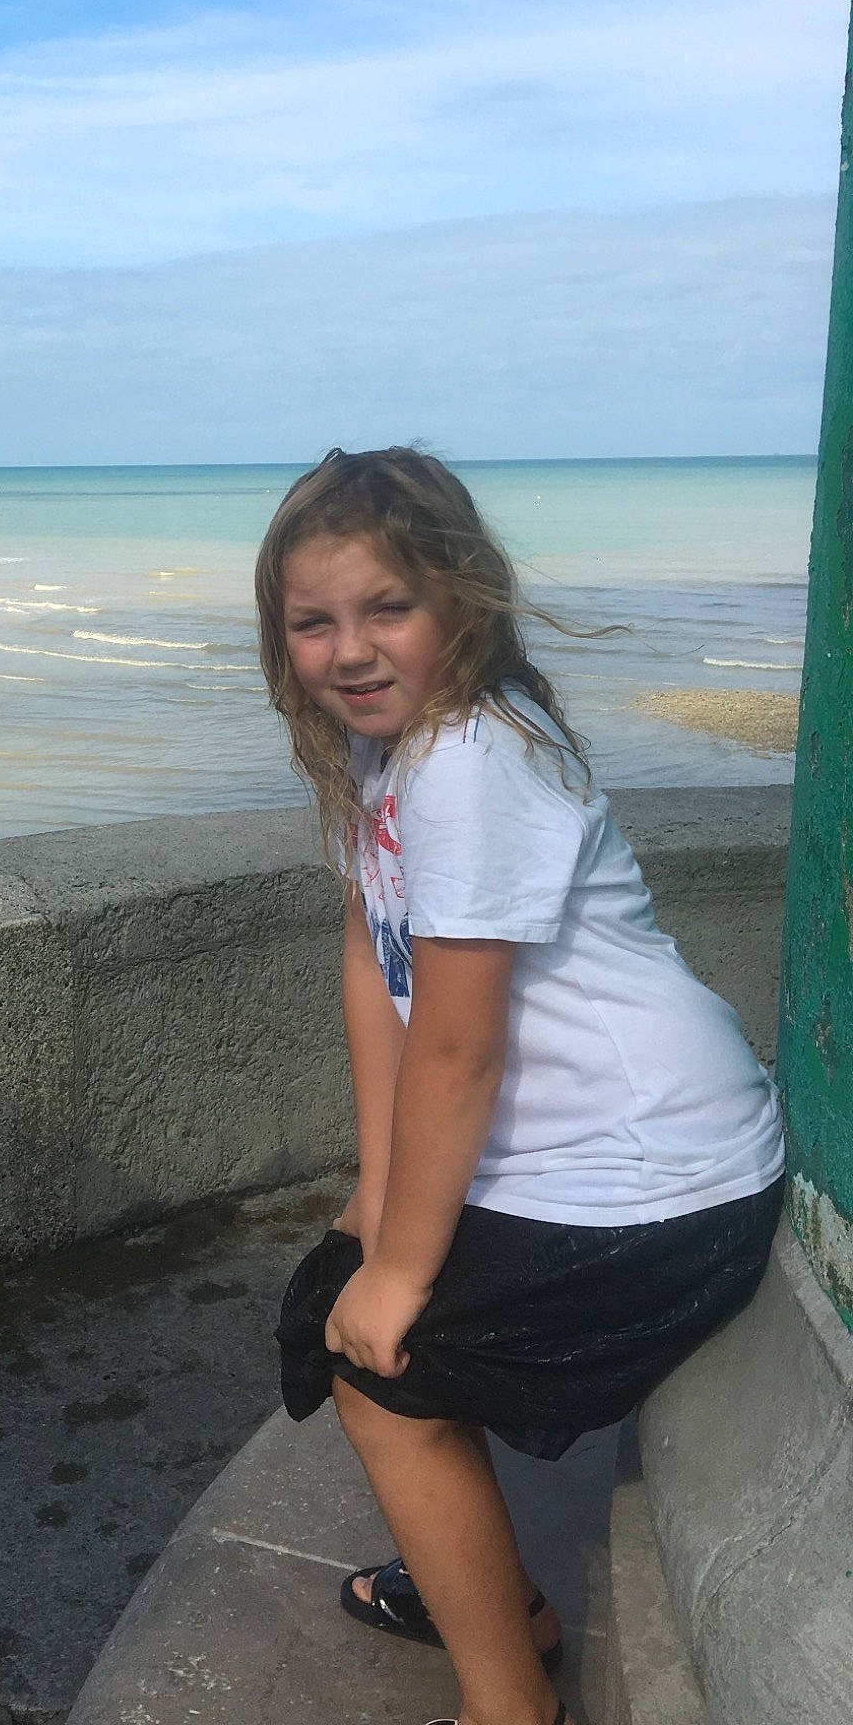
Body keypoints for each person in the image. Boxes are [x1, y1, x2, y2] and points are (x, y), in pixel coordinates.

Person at [258, 448, 783, 1725]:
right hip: (578, 1163)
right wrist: (377, 1202)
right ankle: (487, 1586)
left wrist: (403, 1269)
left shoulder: (470, 764)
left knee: (382, 1365)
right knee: (326, 1302)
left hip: (665, 1183)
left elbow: (456, 1047)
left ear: (462, 601)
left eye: (387, 607)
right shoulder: (384, 758)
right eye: (314, 621)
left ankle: (511, 1702)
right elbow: (369, 967)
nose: (351, 649)